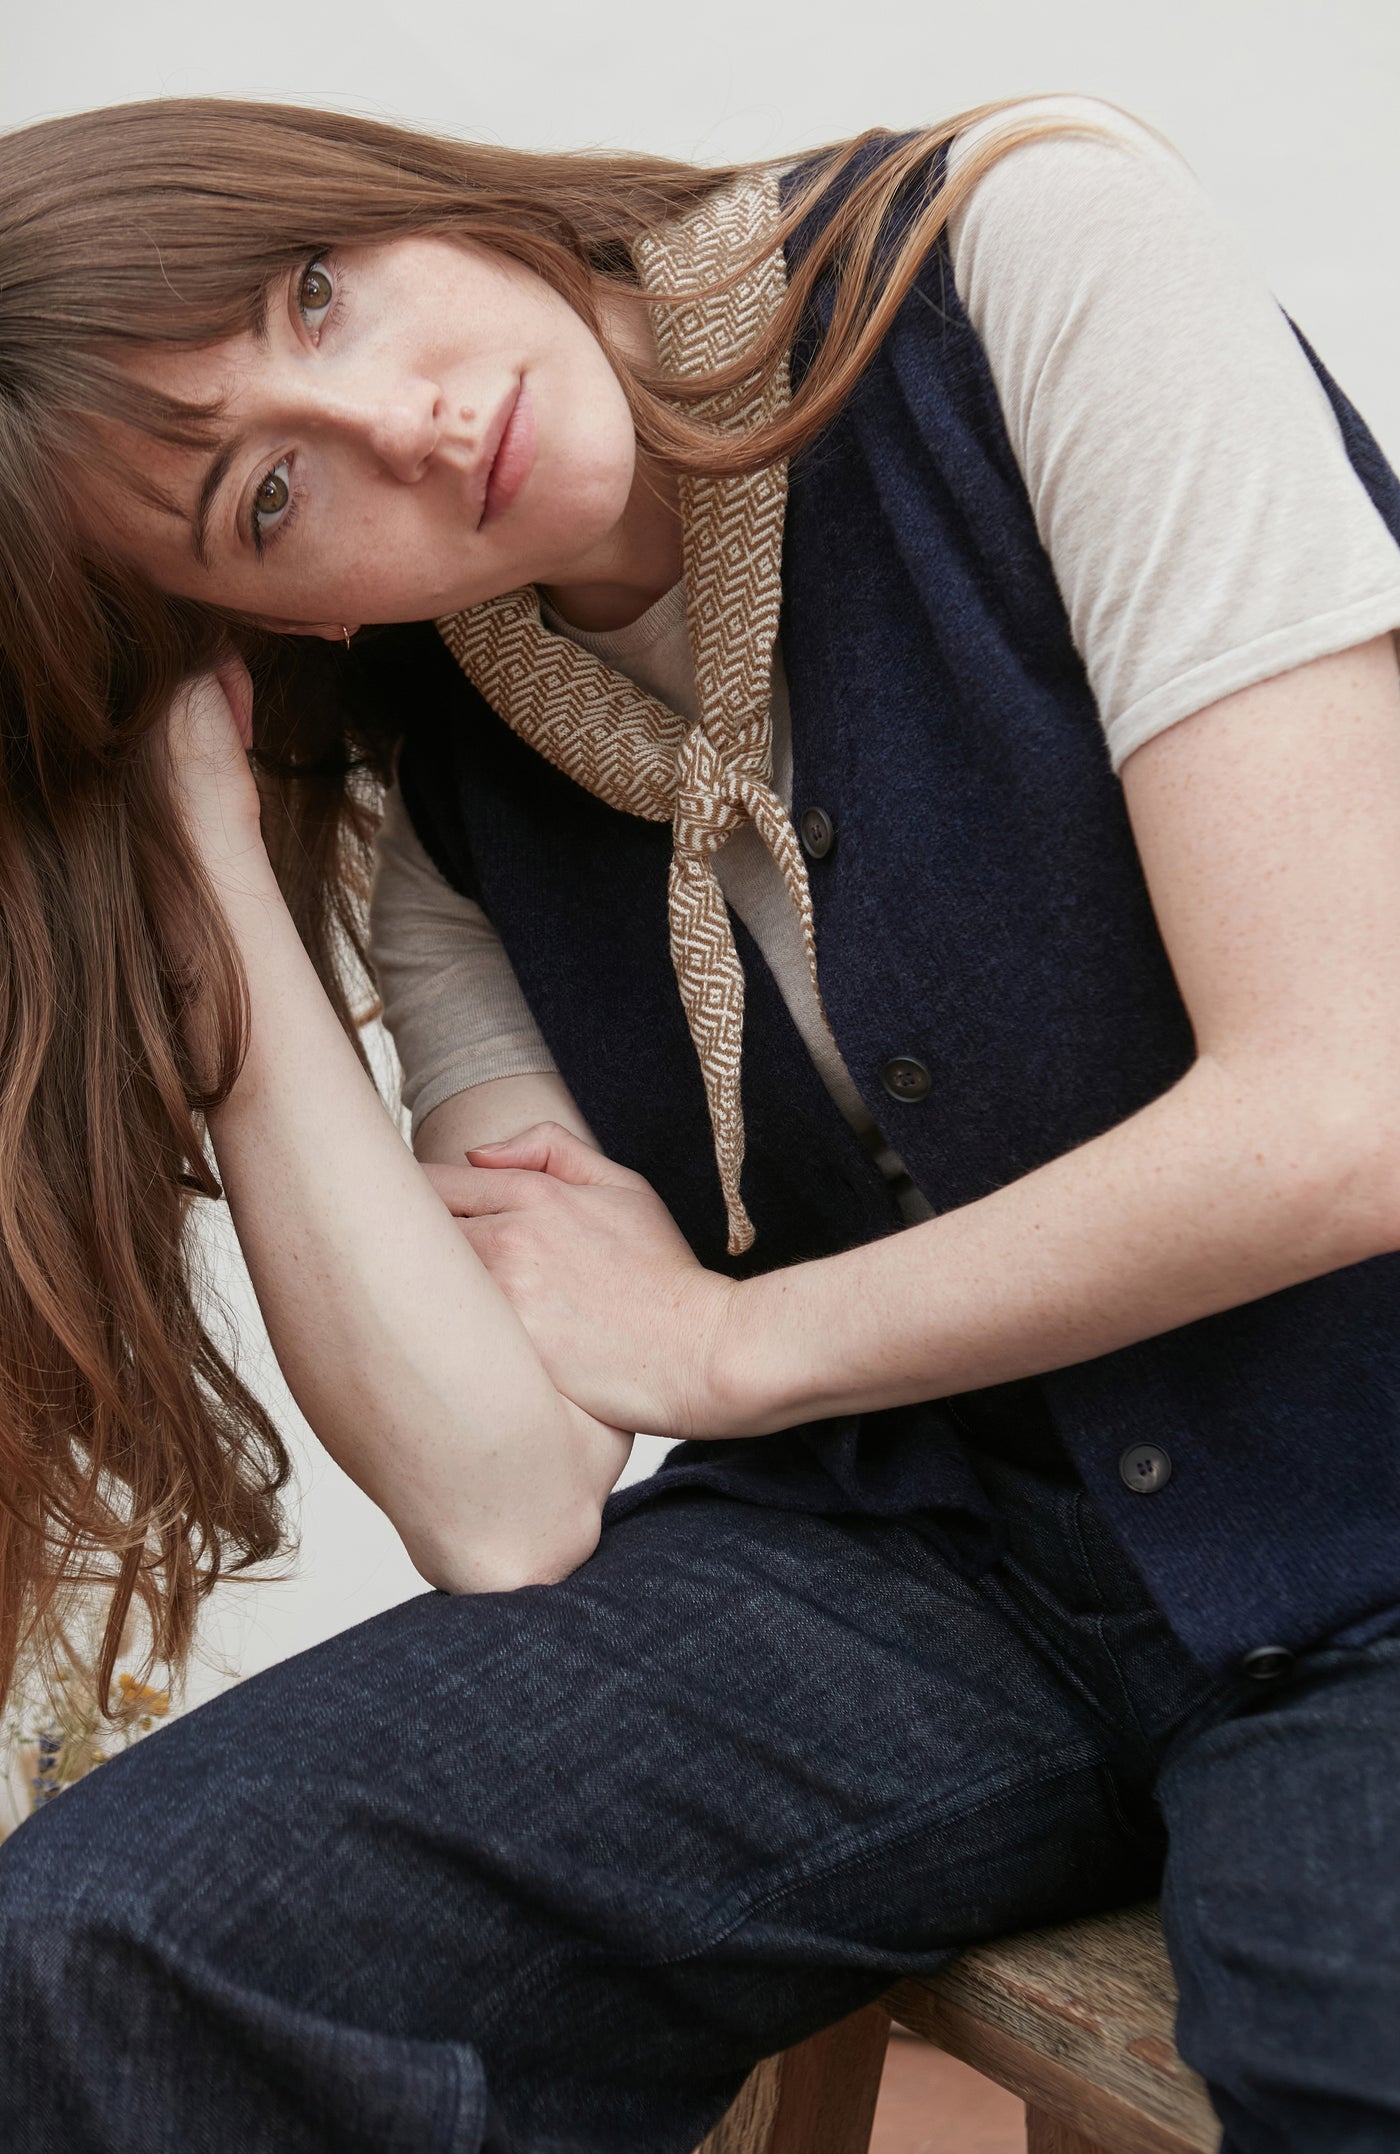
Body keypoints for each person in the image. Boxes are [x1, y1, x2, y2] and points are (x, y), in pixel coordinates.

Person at [0, 82, 1398, 2153]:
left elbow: (1347, 1101)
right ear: (277, 617)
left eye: (316, 295)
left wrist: (735, 1346)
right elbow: (505, 1497)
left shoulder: (1015, 254)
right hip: (954, 1566)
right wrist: (202, 825)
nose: (398, 421)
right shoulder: (443, 754)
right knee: (106, 1950)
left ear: (391, 199)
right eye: (268, 502)